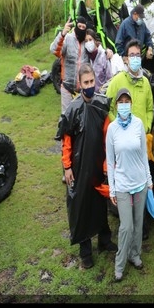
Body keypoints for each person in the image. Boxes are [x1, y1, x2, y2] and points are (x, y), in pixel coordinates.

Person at [55, 64, 117, 269]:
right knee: (81, 206)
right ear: (80, 84)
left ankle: (105, 240)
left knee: (100, 204)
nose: (90, 85)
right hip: (79, 168)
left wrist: (108, 164)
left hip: (99, 165)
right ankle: (85, 250)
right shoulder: (73, 109)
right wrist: (67, 167)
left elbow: (108, 135)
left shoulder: (101, 106)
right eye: (86, 82)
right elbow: (66, 142)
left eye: (92, 82)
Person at [106, 87, 153, 281]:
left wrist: (149, 180)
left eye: (127, 102)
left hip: (140, 182)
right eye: (121, 102)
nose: (124, 105)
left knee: (138, 223)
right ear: (116, 106)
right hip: (122, 184)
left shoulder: (138, 124)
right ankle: (120, 263)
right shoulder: (112, 129)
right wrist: (112, 188)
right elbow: (110, 162)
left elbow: (143, 154)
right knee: (126, 226)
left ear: (131, 104)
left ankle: (135, 255)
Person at [106, 39, 154, 130]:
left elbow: (149, 109)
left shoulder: (145, 82)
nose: (135, 58)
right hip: (121, 136)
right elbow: (108, 108)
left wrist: (147, 127)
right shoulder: (117, 81)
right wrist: (118, 127)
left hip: (141, 136)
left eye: (137, 55)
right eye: (132, 55)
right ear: (126, 59)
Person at [50, 15, 90, 114]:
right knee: (66, 117)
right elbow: (54, 50)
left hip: (82, 89)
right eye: (79, 26)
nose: (81, 29)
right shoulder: (67, 39)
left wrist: (107, 52)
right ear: (75, 26)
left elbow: (97, 53)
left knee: (81, 117)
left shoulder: (88, 42)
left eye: (83, 27)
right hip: (67, 87)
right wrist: (62, 34)